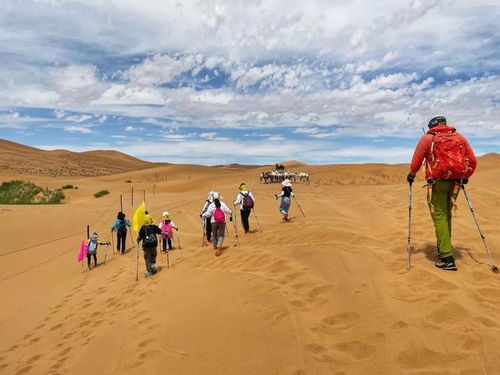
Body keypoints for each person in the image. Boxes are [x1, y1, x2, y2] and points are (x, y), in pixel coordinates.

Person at [407, 115, 477, 271]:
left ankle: (446, 257)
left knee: (439, 216)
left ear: (431, 126)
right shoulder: (460, 138)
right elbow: (472, 160)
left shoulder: (427, 138)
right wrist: (465, 177)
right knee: (447, 215)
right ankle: (443, 246)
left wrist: (411, 175)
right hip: (456, 183)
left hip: (437, 183)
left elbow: (416, 161)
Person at [203, 192, 232, 256]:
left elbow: (208, 214)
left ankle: (215, 246)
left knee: (214, 235)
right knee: (221, 235)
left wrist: (203, 215)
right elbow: (227, 211)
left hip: (214, 222)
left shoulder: (211, 205)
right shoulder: (222, 204)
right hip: (222, 221)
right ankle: (219, 246)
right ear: (219, 197)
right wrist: (231, 211)